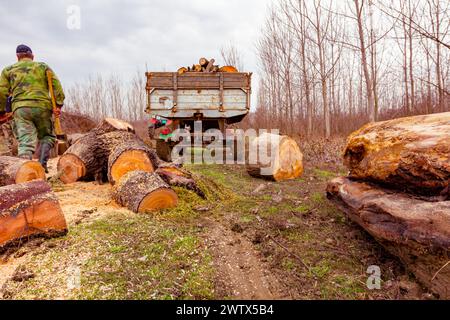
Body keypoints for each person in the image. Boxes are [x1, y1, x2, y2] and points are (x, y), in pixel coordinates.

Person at [0, 44, 65, 171]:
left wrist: (1, 111)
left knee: (25, 141)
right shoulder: (43, 67)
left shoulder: (8, 70)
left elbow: (2, 92)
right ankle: (42, 166)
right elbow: (57, 85)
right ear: (32, 56)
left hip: (20, 108)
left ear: (17, 57)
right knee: (47, 137)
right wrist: (58, 104)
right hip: (43, 107)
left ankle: (25, 170)